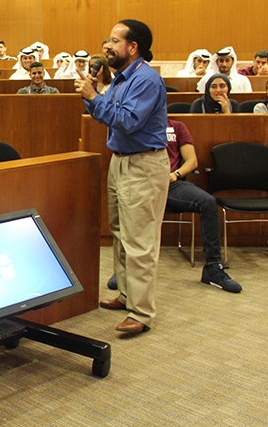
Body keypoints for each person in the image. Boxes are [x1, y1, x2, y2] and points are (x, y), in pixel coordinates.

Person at [75, 19, 168, 334]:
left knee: (140, 238)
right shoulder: (119, 79)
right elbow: (108, 116)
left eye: (115, 41)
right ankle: (127, 294)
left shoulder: (146, 80)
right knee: (121, 232)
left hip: (143, 164)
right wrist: (96, 94)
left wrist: (93, 96)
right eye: (107, 40)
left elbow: (127, 121)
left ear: (133, 47)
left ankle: (142, 313)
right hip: (121, 161)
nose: (107, 46)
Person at [111, 120, 243, 293]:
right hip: (142, 184)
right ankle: (124, 270)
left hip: (172, 184)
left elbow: (192, 160)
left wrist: (175, 174)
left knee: (208, 202)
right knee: (124, 202)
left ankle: (213, 267)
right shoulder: (136, 124)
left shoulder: (177, 127)